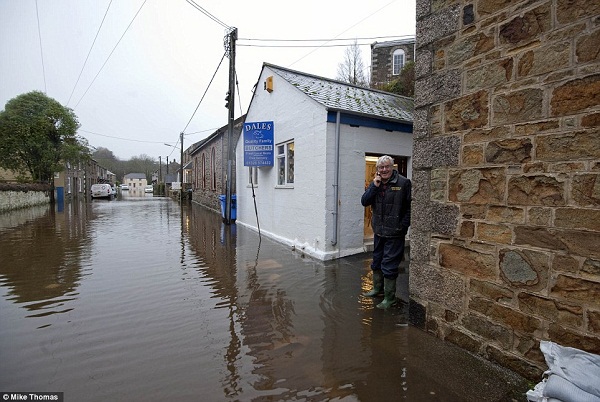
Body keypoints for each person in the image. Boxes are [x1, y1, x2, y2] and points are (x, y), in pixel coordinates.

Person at [360, 155, 411, 309]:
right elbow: (364, 201)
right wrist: (374, 186)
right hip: (379, 231)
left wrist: (402, 226)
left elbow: (409, 208)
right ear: (377, 170)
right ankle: (378, 289)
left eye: (387, 166)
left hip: (395, 232)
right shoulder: (376, 183)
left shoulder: (403, 182)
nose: (384, 170)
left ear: (392, 167)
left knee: (389, 265)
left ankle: (390, 298)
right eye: (381, 168)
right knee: (376, 261)